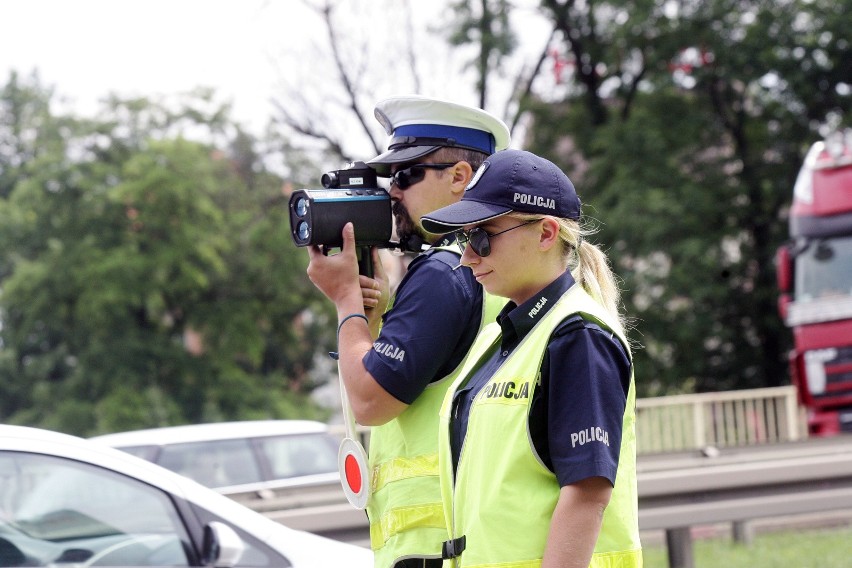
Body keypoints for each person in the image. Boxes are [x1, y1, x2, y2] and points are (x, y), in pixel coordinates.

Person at [306, 95, 511, 568]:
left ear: (459, 177)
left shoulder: (441, 274)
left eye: (406, 175)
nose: (392, 192)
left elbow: (371, 401)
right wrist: (370, 322)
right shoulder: (493, 266)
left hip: (435, 548)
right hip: (470, 539)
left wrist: (345, 303)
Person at [420, 149, 642, 567]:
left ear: (545, 233)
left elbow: (587, 494)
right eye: (464, 239)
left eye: (482, 237)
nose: (468, 256)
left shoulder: (578, 336)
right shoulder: (497, 339)